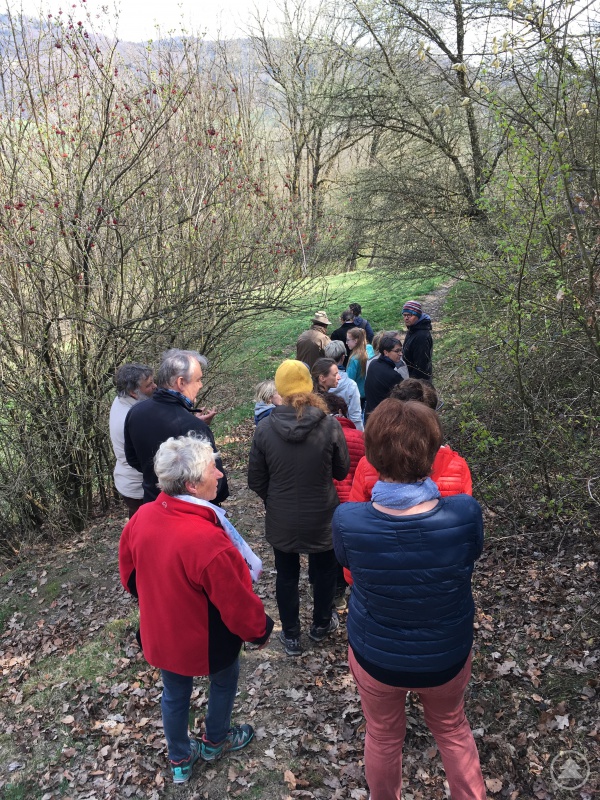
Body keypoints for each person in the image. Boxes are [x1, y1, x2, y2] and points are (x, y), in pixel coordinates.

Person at [333, 400, 486, 800]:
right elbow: (472, 555)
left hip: (376, 653)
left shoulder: (349, 521)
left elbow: (349, 568)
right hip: (446, 652)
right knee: (452, 729)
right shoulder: (464, 513)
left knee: (382, 735)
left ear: (372, 453)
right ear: (432, 450)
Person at [119, 435, 273, 784]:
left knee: (174, 692)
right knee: (224, 680)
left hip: (162, 632)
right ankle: (216, 739)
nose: (219, 475)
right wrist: (259, 630)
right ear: (191, 484)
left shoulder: (142, 516)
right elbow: (235, 602)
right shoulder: (206, 540)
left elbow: (129, 574)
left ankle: (179, 758)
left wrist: (155, 594)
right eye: (212, 470)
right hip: (208, 639)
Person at [247, 359, 350, 656]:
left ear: (280, 389)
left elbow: (256, 478)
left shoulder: (265, 428)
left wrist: (275, 497)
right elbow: (342, 471)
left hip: (283, 516)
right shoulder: (329, 425)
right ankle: (320, 624)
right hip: (322, 513)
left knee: (287, 574)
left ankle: (291, 635)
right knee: (324, 569)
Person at [124, 349, 229, 504]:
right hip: (189, 514)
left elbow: (133, 460)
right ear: (181, 382)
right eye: (198, 379)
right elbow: (217, 486)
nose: (201, 385)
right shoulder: (193, 427)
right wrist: (197, 427)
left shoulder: (135, 412)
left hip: (154, 505)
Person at [350, 379, 472, 504]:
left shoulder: (369, 463)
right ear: (433, 418)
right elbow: (466, 516)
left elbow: (356, 514)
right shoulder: (457, 466)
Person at [109, 363, 157, 517]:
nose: (155, 386)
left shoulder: (122, 399)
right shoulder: (131, 419)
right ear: (133, 392)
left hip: (131, 482)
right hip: (139, 488)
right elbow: (151, 456)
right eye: (149, 385)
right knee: (148, 530)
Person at [323, 342, 364, 430]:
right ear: (343, 357)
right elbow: (355, 417)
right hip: (345, 430)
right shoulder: (351, 385)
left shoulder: (320, 382)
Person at [363, 335, 404, 419]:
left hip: (369, 415)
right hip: (384, 418)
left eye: (401, 350)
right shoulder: (394, 376)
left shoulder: (373, 364)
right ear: (386, 352)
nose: (400, 354)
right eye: (397, 351)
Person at [401, 301, 433, 381]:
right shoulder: (412, 329)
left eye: (410, 315)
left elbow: (421, 367)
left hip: (418, 383)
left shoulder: (421, 337)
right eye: (404, 315)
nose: (406, 318)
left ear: (418, 316)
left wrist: (411, 383)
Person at [346, 327, 375, 407]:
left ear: (355, 341)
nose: (346, 342)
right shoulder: (369, 348)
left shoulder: (354, 359)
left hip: (358, 395)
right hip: (370, 392)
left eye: (348, 340)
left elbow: (350, 380)